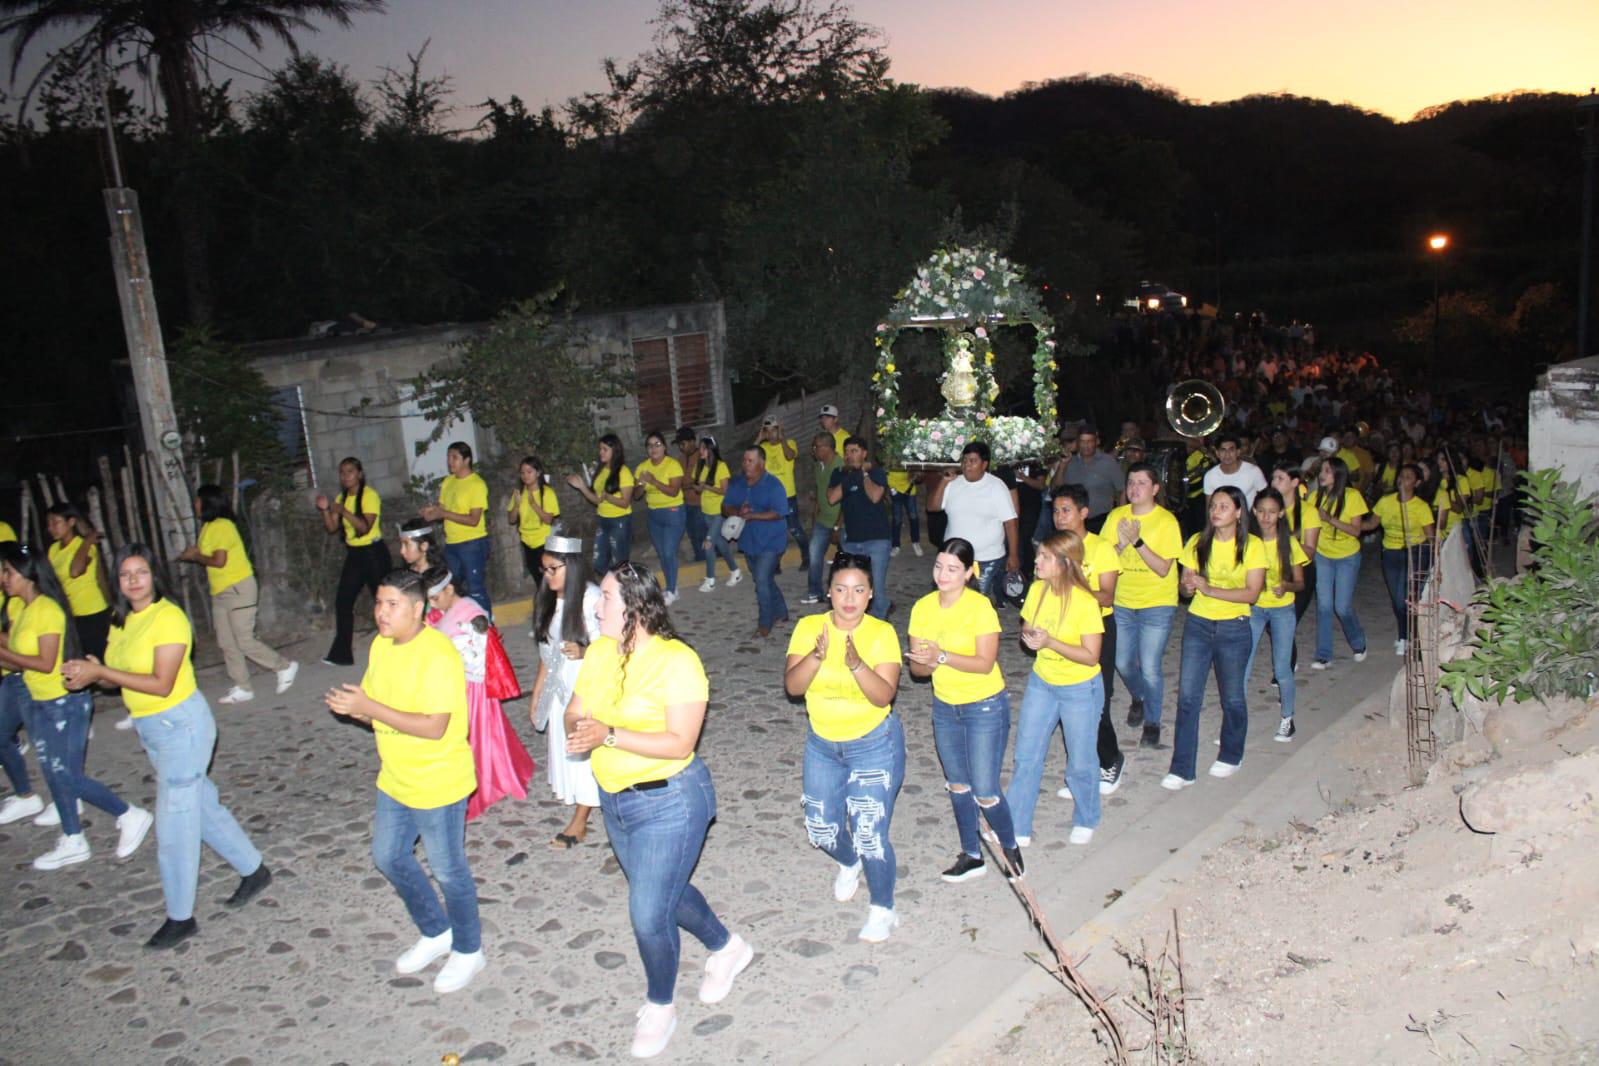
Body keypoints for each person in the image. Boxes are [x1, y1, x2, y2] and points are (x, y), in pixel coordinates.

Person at [565, 564, 752, 1059]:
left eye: (604, 598)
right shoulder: (601, 651)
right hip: (616, 800)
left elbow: (680, 742)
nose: (596, 607)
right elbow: (575, 708)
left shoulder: (678, 661)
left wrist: (605, 732)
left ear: (634, 607)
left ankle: (660, 1006)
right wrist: (579, 723)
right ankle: (728, 947)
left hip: (671, 799)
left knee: (648, 913)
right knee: (663, 890)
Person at [60, 543, 269, 948]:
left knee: (174, 820)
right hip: (152, 728)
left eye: (140, 572)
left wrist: (102, 670)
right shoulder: (121, 621)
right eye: (125, 574)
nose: (133, 580)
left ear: (154, 575)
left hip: (182, 727)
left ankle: (180, 916)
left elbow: (161, 682)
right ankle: (254, 870)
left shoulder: (169, 618)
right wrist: (90, 672)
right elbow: (115, 676)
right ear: (117, 582)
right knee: (201, 806)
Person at [324, 569, 486, 995]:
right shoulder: (381, 646)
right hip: (395, 777)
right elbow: (376, 705)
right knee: (389, 856)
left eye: (392, 604)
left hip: (437, 781)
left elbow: (434, 727)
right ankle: (437, 932)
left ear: (418, 609)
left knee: (449, 870)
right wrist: (353, 708)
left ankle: (469, 949)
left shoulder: (437, 654)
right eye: (378, 603)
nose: (381, 612)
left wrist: (370, 707)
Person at [0, 542, 151, 871]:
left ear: (27, 574)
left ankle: (129, 814)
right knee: (53, 772)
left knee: (66, 775)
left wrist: (5, 655)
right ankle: (73, 838)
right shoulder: (21, 609)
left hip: (65, 701)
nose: (3, 578)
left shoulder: (47, 610)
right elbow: (16, 656)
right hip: (41, 700)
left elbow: (43, 662)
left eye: (8, 571)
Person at [784, 552, 905, 941]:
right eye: (840, 589)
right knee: (821, 828)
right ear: (829, 592)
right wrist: (817, 657)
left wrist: (856, 664)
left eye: (858, 590)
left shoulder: (881, 633)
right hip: (822, 745)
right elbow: (793, 687)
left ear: (870, 594)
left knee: (870, 830)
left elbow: (883, 696)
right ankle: (849, 862)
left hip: (872, 743)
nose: (848, 598)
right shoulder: (808, 628)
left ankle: (883, 909)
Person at [908, 538, 1022, 880]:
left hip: (985, 706)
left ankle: (1009, 845)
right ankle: (972, 854)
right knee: (958, 784)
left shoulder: (979, 607)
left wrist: (941, 655)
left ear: (970, 572)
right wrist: (925, 663)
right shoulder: (922, 608)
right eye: (939, 566)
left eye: (953, 569)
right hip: (945, 707)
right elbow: (917, 671)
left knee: (985, 790)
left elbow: (985, 663)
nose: (944, 574)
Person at [1005, 531, 1106, 844]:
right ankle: (1017, 824)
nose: (1036, 561)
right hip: (1043, 681)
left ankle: (1087, 816)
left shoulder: (1085, 602)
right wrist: (1031, 636)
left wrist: (1050, 641)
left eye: (1044, 557)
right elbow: (1026, 625)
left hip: (1080, 688)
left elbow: (1091, 656)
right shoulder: (1037, 589)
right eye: (1038, 555)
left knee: (1081, 759)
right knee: (1026, 755)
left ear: (1064, 563)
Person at [1163, 487, 1266, 789]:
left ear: (1238, 512)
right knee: (1187, 697)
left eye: (1223, 506)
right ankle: (1182, 768)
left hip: (1234, 626)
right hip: (1198, 624)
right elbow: (1185, 589)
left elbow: (1252, 593)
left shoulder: (1252, 546)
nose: (1215, 511)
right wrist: (1187, 586)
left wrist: (1209, 589)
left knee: (1232, 696)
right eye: (1212, 506)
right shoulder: (1197, 542)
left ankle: (1232, 753)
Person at [424, 566, 535, 821]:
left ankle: (485, 782)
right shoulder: (448, 611)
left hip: (473, 687)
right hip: (457, 684)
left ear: (449, 589)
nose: (432, 604)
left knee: (478, 735)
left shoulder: (471, 614)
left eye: (435, 598)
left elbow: (481, 656)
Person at [181, 485, 298, 705]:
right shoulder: (208, 527)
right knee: (227, 642)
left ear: (208, 502)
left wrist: (196, 556)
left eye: (198, 500)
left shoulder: (222, 526)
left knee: (244, 639)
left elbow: (219, 561)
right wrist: (192, 554)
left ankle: (284, 666)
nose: (195, 504)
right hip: (221, 591)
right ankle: (243, 686)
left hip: (238, 589)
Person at [1048, 485, 1126, 795]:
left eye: (1065, 510)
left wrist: (1073, 591)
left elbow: (1107, 595)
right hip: (1063, 629)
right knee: (1070, 704)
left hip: (1098, 627)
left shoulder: (1101, 548)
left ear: (1084, 513)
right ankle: (1081, 772)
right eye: (1055, 510)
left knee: (1098, 702)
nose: (1059, 517)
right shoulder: (1053, 547)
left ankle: (1110, 759)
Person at [528, 533, 601, 847]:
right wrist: (537, 695)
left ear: (571, 566)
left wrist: (586, 652)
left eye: (553, 569)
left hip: (585, 684)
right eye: (544, 569)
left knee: (582, 748)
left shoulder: (592, 598)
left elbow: (613, 648)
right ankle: (575, 797)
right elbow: (547, 652)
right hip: (559, 687)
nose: (547, 576)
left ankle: (580, 821)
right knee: (565, 746)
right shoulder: (548, 598)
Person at [1104, 463, 1183, 748]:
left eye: (1141, 482)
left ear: (1155, 489)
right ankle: (1138, 696)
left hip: (1156, 603)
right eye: (1130, 482)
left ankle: (1152, 722)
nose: (1134, 488)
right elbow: (1103, 561)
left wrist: (1137, 542)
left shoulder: (1166, 522)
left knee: (1150, 666)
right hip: (1123, 601)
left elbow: (1163, 568)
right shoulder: (1115, 517)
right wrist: (1121, 546)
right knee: (1123, 662)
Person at [1245, 489, 1308, 742]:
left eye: (1272, 512)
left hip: (1282, 608)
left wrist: (1286, 586)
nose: (1266, 517)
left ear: (1281, 513)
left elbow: (1300, 583)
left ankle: (1287, 718)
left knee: (1282, 667)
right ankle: (1235, 724)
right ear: (1253, 512)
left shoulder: (1289, 543)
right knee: (1242, 665)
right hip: (1253, 608)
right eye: (1261, 511)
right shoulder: (1248, 543)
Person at [317, 456, 391, 667]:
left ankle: (397, 645)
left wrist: (345, 512)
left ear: (359, 473)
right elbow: (332, 528)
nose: (346, 476)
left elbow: (364, 527)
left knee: (385, 601)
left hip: (373, 553)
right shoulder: (341, 498)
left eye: (350, 471)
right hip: (355, 554)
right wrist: (324, 509)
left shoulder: (369, 496)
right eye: (342, 472)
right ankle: (341, 654)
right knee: (343, 601)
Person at [928, 441, 1019, 609]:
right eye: (965, 461)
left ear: (984, 464)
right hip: (954, 556)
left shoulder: (996, 487)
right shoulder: (953, 483)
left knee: (974, 602)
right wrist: (943, 481)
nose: (967, 466)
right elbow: (932, 507)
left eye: (973, 461)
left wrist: (1013, 554)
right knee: (950, 598)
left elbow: (1010, 522)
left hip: (985, 559)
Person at [1363, 464, 1434, 655]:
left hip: (1414, 552)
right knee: (1397, 598)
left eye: (1409, 477)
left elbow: (1431, 537)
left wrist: (1435, 561)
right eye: (1401, 476)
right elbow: (1371, 524)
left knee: (1408, 597)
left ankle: (1406, 636)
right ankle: (1405, 633)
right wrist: (1347, 524)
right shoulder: (1386, 502)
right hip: (1391, 552)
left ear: (1417, 483)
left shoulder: (1421, 506)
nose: (1403, 479)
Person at [722, 446, 790, 638]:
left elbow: (779, 512)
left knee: (761, 579)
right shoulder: (738, 484)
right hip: (749, 541)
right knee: (764, 578)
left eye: (750, 461)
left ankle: (764, 623)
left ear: (761, 463)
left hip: (771, 541)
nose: (746, 464)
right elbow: (725, 506)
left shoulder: (774, 485)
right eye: (744, 460)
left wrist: (753, 515)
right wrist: (737, 511)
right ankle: (782, 611)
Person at [420, 441, 492, 617]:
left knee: (475, 588)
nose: (450, 461)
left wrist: (443, 512)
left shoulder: (476, 484)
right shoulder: (448, 482)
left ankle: (488, 630)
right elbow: (443, 508)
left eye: (455, 457)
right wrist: (431, 512)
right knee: (453, 587)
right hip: (452, 543)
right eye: (448, 457)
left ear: (466, 460)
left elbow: (473, 519)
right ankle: (465, 623)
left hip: (472, 543)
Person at [1310, 457, 1369, 669]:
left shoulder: (1353, 497)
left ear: (1338, 474)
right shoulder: (1315, 497)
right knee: (1324, 606)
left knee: (1341, 607)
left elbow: (1356, 531)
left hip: (1347, 557)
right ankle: (1324, 654)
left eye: (1327, 471)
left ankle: (1358, 642)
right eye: (1321, 471)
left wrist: (1329, 519)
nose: (1321, 474)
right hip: (1323, 555)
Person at [826, 437, 893, 620]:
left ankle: (879, 622)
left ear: (864, 453)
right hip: (851, 542)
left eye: (854, 451)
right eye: (847, 452)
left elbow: (875, 496)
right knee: (854, 586)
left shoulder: (876, 472)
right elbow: (832, 498)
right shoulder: (840, 474)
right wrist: (852, 476)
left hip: (877, 540)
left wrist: (863, 474)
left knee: (876, 588)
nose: (849, 455)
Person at [0, 578, 48, 825]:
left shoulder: (30, 606)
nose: (5, 577)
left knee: (49, 750)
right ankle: (26, 795)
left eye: (7, 571)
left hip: (26, 681)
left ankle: (70, 804)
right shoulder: (12, 603)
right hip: (12, 679)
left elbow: (23, 659)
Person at [1270, 459, 1321, 673]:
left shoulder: (1308, 512)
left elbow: (1310, 550)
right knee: (1274, 624)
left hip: (1301, 573)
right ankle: (1286, 664)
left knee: (1285, 623)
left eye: (1280, 478)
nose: (1274, 483)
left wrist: (1285, 544)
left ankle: (1285, 669)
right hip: (1273, 572)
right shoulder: (1269, 509)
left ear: (1294, 482)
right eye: (1273, 478)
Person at [44, 502, 112, 661]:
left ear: (71, 522)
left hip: (93, 611)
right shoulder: (53, 550)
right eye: (48, 524)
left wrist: (87, 540)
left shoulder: (85, 547)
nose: (51, 528)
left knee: (100, 659)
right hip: (72, 613)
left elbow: (75, 571)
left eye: (55, 523)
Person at [567, 433, 636, 577]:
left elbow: (625, 503)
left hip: (620, 521)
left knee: (620, 563)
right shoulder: (602, 470)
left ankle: (624, 591)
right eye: (600, 449)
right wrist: (582, 487)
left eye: (605, 449)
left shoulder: (624, 472)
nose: (601, 452)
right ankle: (616, 585)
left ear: (614, 450)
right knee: (599, 563)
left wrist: (609, 497)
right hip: (603, 520)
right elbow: (597, 501)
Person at [635, 430, 688, 604]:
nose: (653, 448)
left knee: (668, 552)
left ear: (664, 447)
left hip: (673, 512)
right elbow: (636, 495)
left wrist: (653, 481)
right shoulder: (642, 467)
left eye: (657, 444)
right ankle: (673, 587)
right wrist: (642, 484)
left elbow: (673, 491)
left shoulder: (673, 465)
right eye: (650, 445)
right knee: (662, 553)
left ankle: (671, 590)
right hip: (654, 514)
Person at [756, 416, 808, 568]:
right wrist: (759, 439)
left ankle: (806, 556)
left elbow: (789, 455)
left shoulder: (790, 443)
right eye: (768, 430)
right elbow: (750, 458)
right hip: (769, 497)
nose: (771, 434)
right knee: (774, 531)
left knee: (794, 528)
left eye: (774, 430)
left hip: (787, 495)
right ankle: (775, 562)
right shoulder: (764, 448)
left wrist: (782, 438)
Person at [692, 436, 741, 592]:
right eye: (700, 448)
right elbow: (698, 488)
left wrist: (707, 486)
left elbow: (724, 490)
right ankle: (735, 571)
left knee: (708, 544)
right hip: (706, 512)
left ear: (711, 450)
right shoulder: (700, 466)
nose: (700, 451)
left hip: (719, 512)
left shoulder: (721, 466)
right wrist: (700, 487)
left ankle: (710, 580)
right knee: (720, 543)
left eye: (703, 448)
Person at [506, 456, 559, 596]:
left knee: (548, 578)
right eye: (522, 472)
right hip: (527, 542)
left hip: (543, 542)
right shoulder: (518, 493)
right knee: (537, 576)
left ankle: (553, 606)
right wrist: (517, 505)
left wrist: (534, 505)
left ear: (538, 472)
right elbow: (511, 519)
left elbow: (548, 520)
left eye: (529, 471)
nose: (525, 475)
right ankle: (546, 605)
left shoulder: (548, 493)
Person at [802, 433, 843, 605]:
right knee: (814, 554)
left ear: (827, 448)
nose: (813, 450)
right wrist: (815, 515)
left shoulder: (841, 466)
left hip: (840, 520)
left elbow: (846, 499)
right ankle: (815, 592)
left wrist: (837, 526)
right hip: (823, 519)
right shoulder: (819, 466)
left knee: (846, 560)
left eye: (816, 447)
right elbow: (820, 492)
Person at [1060, 425, 1124, 533]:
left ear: (1096, 441)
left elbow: (1122, 489)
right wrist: (1062, 465)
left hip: (1102, 522)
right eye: (1082, 441)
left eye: (1089, 441)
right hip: (1075, 522)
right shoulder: (1070, 462)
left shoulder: (1108, 462)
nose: (1086, 445)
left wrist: (1121, 516)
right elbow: (1056, 488)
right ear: (1077, 443)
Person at [1201, 434, 1268, 510]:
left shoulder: (1254, 471)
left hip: (1249, 519)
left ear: (1238, 452)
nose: (1227, 454)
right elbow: (1209, 507)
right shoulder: (1210, 476)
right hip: (1222, 520)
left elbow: (1266, 498)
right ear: (1217, 453)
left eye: (1231, 450)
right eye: (1223, 450)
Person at [676, 427, 709, 571]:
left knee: (702, 536)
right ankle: (702, 563)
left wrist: (685, 485)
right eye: (679, 444)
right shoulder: (680, 460)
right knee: (694, 536)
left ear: (692, 442)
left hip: (701, 504)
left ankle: (705, 564)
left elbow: (702, 481)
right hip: (686, 504)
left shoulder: (702, 456)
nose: (681, 447)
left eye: (683, 443)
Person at [887, 466, 922, 558]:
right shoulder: (887, 455)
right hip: (894, 488)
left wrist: (915, 474)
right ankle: (896, 545)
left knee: (913, 516)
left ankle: (916, 542)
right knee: (897, 519)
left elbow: (916, 471)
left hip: (909, 488)